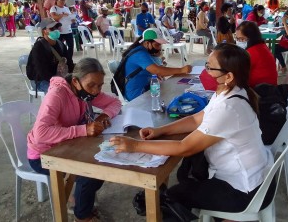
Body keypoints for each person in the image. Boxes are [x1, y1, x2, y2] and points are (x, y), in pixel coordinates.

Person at [110, 43, 274, 216]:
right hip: (252, 178)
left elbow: (184, 147)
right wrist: (160, 131)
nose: (205, 72)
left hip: (245, 190)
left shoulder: (229, 107)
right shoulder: (231, 91)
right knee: (187, 175)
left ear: (228, 76)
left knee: (171, 197)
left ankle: (222, 217)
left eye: (210, 68)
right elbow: (196, 119)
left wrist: (135, 146)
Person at [27, 57, 122, 222]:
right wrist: (83, 129)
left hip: (69, 145)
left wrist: (104, 116)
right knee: (90, 171)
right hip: (44, 154)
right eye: (91, 85)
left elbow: (115, 102)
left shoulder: (86, 93)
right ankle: (82, 215)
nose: (95, 91)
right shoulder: (57, 95)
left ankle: (79, 200)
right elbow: (40, 133)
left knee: (104, 159)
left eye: (99, 86)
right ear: (76, 81)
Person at [122, 28, 192, 101]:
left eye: (160, 45)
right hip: (136, 94)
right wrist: (181, 70)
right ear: (147, 43)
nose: (159, 48)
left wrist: (158, 59)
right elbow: (158, 71)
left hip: (147, 87)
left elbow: (159, 69)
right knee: (175, 94)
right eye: (157, 45)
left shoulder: (145, 51)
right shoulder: (139, 54)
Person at [26, 18, 67, 93]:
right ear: (44, 31)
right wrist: (57, 81)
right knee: (59, 91)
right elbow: (42, 72)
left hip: (57, 77)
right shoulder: (39, 47)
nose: (56, 30)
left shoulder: (60, 44)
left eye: (56, 27)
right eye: (52, 28)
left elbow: (69, 62)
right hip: (40, 80)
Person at [236, 21, 278, 87]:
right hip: (268, 86)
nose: (239, 42)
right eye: (237, 39)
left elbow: (238, 71)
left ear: (251, 37)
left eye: (242, 39)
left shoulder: (253, 52)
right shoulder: (261, 46)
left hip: (262, 91)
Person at [50, 0, 76, 72]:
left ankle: (69, 61)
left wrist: (73, 19)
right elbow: (54, 17)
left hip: (68, 29)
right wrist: (62, 15)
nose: (63, 1)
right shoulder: (54, 8)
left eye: (64, 0)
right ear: (57, 0)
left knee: (70, 46)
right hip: (59, 31)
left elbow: (70, 18)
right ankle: (61, 62)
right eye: (61, 0)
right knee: (60, 47)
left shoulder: (66, 8)